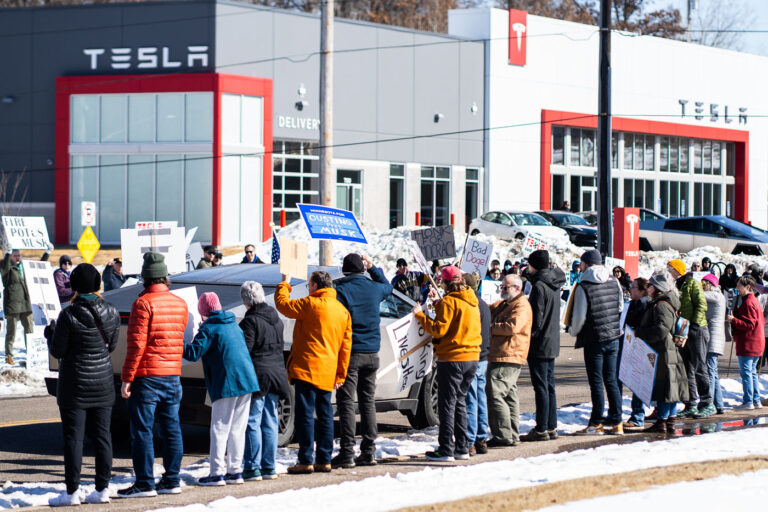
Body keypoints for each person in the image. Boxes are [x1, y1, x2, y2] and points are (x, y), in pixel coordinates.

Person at [45, 264, 120, 506]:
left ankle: (72, 492)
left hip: (74, 384)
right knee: (103, 437)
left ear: (75, 286)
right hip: (103, 382)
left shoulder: (68, 314)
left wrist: (50, 334)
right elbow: (112, 346)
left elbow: (58, 351)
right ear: (98, 284)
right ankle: (102, 488)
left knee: (74, 439)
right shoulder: (111, 311)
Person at [118, 252, 188, 498]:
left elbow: (137, 345)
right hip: (172, 374)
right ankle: (171, 480)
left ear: (145, 277)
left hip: (147, 376)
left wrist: (127, 377)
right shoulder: (181, 304)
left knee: (142, 430)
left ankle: (145, 483)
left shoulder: (143, 303)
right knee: (172, 428)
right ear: (165, 277)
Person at [274, 270, 352, 474]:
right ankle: (324, 459)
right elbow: (346, 346)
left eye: (309, 285)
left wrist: (285, 284)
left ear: (316, 286)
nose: (308, 289)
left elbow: (283, 305)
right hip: (328, 371)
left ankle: (306, 459)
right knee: (325, 415)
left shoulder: (310, 304)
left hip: (306, 368)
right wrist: (341, 374)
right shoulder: (342, 311)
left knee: (305, 415)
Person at [183, 292, 260, 486]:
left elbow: (193, 354)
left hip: (227, 382)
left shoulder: (209, 328)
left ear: (204, 312)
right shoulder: (232, 324)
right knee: (237, 429)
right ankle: (235, 471)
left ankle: (216, 473)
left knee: (219, 428)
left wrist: (177, 342)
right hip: (247, 381)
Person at [413, 265, 481, 462]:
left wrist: (420, 315)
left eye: (441, 281)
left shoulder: (449, 302)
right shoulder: (471, 300)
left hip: (452, 359)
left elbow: (438, 330)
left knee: (447, 405)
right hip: (471, 358)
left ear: (446, 283)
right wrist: (438, 303)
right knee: (460, 402)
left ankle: (446, 449)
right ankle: (462, 447)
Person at [333, 254, 393, 468]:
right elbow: (388, 286)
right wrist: (373, 267)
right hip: (372, 353)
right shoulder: (374, 288)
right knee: (368, 403)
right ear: (362, 270)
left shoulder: (340, 290)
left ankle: (347, 452)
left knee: (347, 403)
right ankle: (369, 451)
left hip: (350, 353)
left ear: (344, 271)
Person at [239, 281, 290, 482]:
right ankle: (269, 466)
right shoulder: (276, 320)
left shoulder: (249, 322)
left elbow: (245, 352)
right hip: (277, 373)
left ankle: (252, 467)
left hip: (258, 375)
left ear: (246, 300)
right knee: (270, 420)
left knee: (253, 420)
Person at [570, 249, 624, 435]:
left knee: (596, 382)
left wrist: (573, 331)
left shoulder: (583, 285)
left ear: (585, 264)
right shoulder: (613, 280)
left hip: (594, 338)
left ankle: (596, 423)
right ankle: (617, 422)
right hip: (613, 336)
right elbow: (619, 307)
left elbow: (579, 317)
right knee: (611, 380)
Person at [636, 271, 689, 433]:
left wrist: (641, 333)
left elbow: (661, 329)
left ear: (657, 288)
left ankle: (662, 423)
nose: (648, 288)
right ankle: (669, 423)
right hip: (667, 351)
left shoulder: (661, 305)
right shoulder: (666, 303)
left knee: (665, 390)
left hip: (664, 351)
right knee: (670, 389)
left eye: (650, 285)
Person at [525, 250, 565, 441]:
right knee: (549, 386)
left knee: (541, 386)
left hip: (540, 343)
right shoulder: (554, 282)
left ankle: (542, 428)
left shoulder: (539, 287)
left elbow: (536, 319)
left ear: (534, 265)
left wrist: (528, 337)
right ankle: (551, 426)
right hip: (552, 340)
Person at [487, 274, 531, 446]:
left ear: (517, 288)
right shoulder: (507, 303)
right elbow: (490, 308)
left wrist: (489, 328)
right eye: (501, 287)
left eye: (506, 287)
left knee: (495, 392)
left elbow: (512, 327)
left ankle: (503, 435)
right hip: (503, 353)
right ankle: (511, 434)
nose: (502, 290)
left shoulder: (521, 305)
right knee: (509, 395)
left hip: (509, 354)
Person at [667, 259, 713, 418]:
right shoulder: (675, 286)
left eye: (670, 269)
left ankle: (707, 402)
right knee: (687, 369)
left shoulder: (692, 283)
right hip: (683, 330)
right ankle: (691, 403)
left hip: (697, 328)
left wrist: (694, 324)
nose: (668, 271)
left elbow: (702, 304)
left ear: (677, 270)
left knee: (700, 367)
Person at [2, 246, 51, 365]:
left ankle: (31, 353)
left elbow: (38, 267)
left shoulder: (25, 267)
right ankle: (9, 355)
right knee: (11, 331)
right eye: (15, 255)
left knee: (29, 330)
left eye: (18, 255)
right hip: (12, 304)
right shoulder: (7, 268)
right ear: (11, 257)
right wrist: (8, 254)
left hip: (26, 303)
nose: (17, 257)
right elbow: (4, 266)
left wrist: (47, 253)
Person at [463, 273, 490, 456]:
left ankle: (471, 440)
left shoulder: (472, 305)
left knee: (471, 399)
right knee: (480, 397)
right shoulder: (483, 305)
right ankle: (481, 437)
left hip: (475, 356)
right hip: (483, 356)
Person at [728, 275, 766, 410]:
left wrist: (733, 320)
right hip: (756, 342)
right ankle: (755, 400)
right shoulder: (753, 301)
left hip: (749, 343)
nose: (737, 288)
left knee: (747, 373)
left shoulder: (748, 303)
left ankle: (748, 401)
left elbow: (749, 324)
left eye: (739, 286)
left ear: (747, 287)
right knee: (752, 373)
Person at [621, 277, 650, 430]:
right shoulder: (634, 303)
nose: (630, 290)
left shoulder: (643, 304)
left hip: (639, 346)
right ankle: (637, 415)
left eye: (633, 287)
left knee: (638, 382)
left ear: (641, 291)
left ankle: (638, 417)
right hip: (633, 344)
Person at [701, 273, 727, 415]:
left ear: (711, 284)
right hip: (714, 339)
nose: (702, 286)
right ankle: (719, 404)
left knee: (709, 371)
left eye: (704, 283)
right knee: (713, 372)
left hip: (713, 339)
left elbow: (700, 296)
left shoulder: (715, 295)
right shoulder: (718, 296)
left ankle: (708, 403)